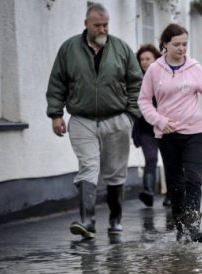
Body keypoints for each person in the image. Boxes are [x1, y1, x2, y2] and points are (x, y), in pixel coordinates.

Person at [46, 3, 142, 239]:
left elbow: (136, 82)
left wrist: (130, 115)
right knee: (88, 167)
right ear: (86, 24)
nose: (102, 29)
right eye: (97, 25)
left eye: (105, 25)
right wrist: (56, 114)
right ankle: (87, 221)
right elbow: (57, 82)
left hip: (116, 119)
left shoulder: (121, 48)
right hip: (82, 119)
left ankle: (115, 219)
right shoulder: (69, 49)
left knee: (115, 171)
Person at [138, 23, 202, 243]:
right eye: (176, 44)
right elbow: (143, 101)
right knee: (175, 183)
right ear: (165, 44)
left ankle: (193, 226)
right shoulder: (155, 70)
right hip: (168, 135)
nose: (182, 48)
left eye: (185, 44)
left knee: (193, 178)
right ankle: (181, 226)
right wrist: (159, 121)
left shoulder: (194, 68)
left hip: (193, 133)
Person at [132, 44, 171, 208]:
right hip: (146, 129)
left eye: (148, 58)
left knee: (170, 161)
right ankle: (148, 192)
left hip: (166, 127)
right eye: (141, 59)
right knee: (151, 159)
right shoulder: (136, 80)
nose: (144, 62)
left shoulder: (165, 76)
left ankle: (171, 195)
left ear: (155, 59)